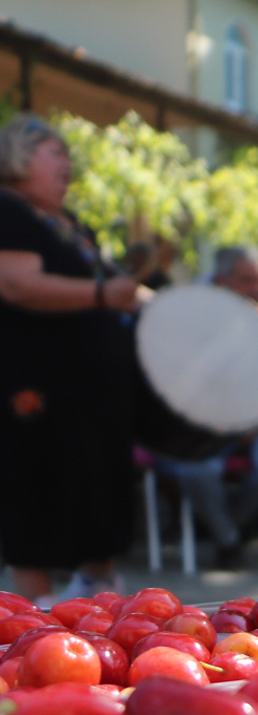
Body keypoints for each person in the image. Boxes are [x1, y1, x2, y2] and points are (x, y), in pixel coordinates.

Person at [0, 114, 145, 603]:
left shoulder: (72, 223)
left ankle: (96, 595)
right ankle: (33, 614)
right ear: (20, 156)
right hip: (38, 382)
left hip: (93, 390)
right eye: (55, 152)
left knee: (97, 485)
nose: (68, 162)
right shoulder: (8, 209)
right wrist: (105, 293)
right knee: (36, 482)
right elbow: (18, 283)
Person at [146, 245, 258, 570]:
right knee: (194, 469)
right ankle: (230, 539)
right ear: (222, 280)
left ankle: (223, 525)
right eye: (246, 280)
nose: (256, 289)